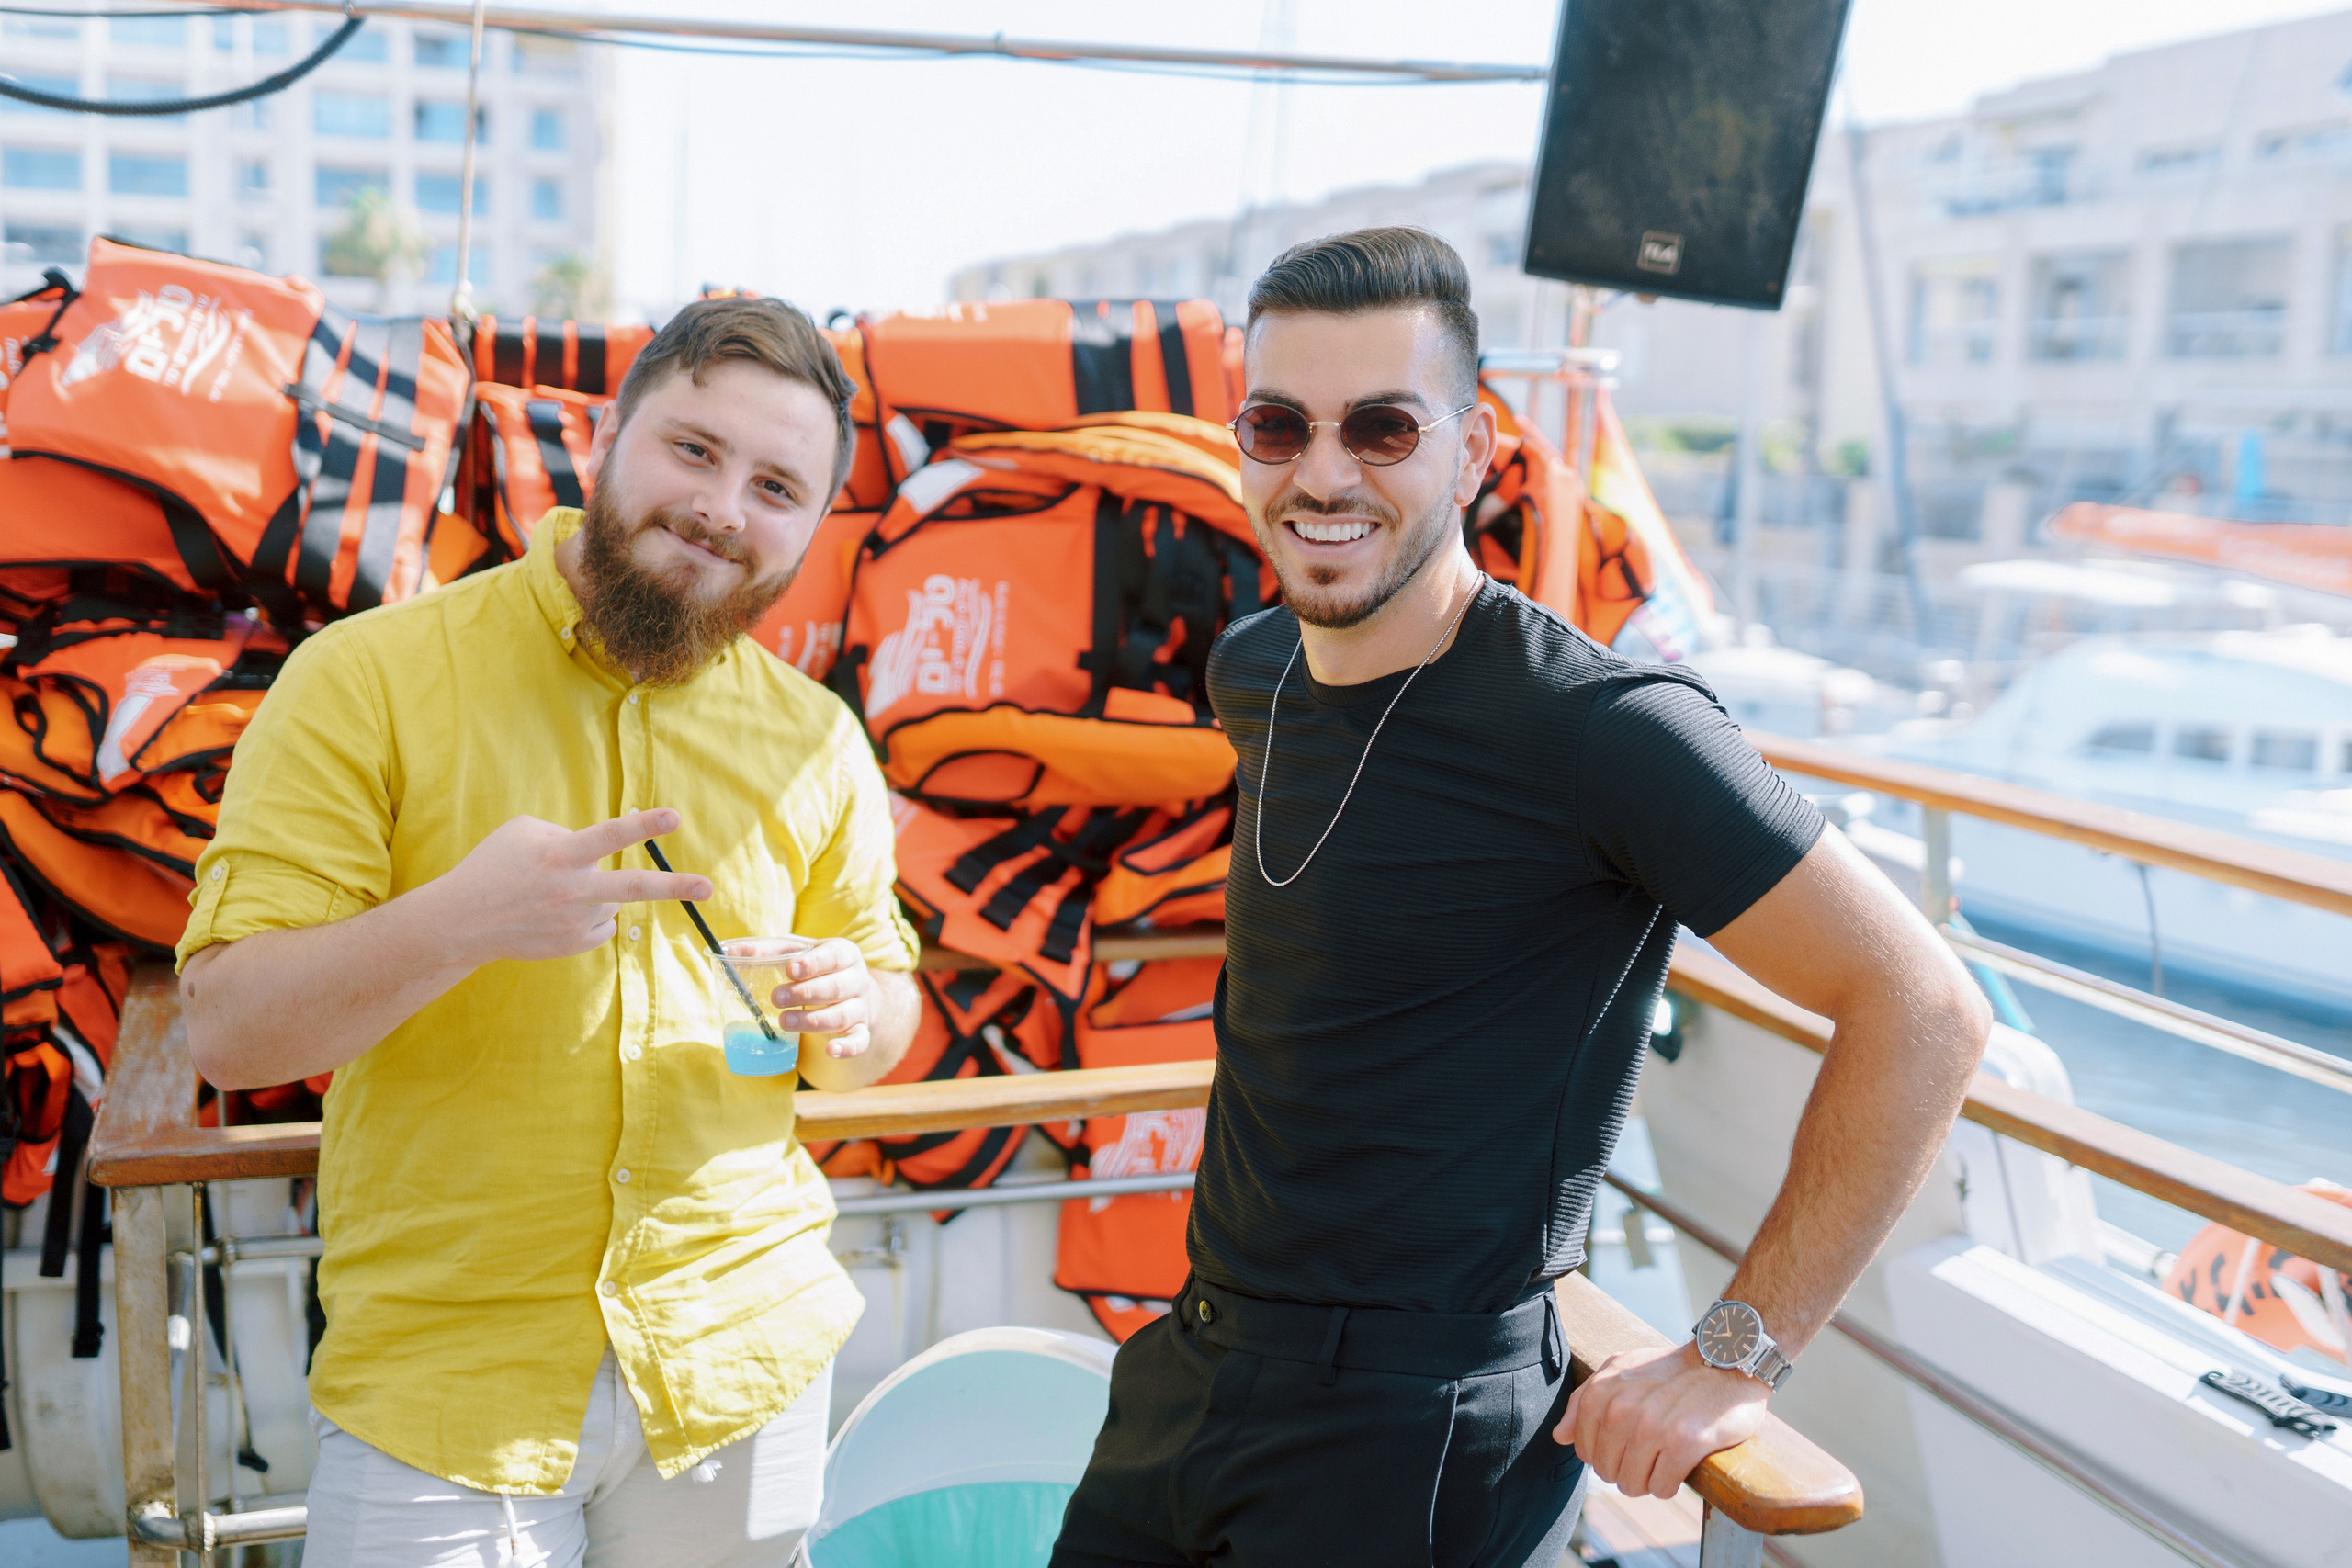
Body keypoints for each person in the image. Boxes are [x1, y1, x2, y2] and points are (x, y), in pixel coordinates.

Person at [1049, 229, 1992, 1568]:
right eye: (1279, 423)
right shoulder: (1256, 667)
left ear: (1475, 448)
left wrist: (1734, 1357)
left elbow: (1923, 1010)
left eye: (1383, 428)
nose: (1322, 473)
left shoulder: (1602, 728)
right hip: (1193, 1367)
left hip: (1413, 1439)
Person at [177, 297, 924, 1567]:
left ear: (812, 525)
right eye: (693, 450)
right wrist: (457, 924)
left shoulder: (819, 738)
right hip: (448, 1383)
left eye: (776, 487)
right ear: (610, 434)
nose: (722, 509)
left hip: (746, 1361)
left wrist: (858, 1007)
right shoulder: (366, 677)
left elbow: (882, 1025)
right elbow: (229, 1035)